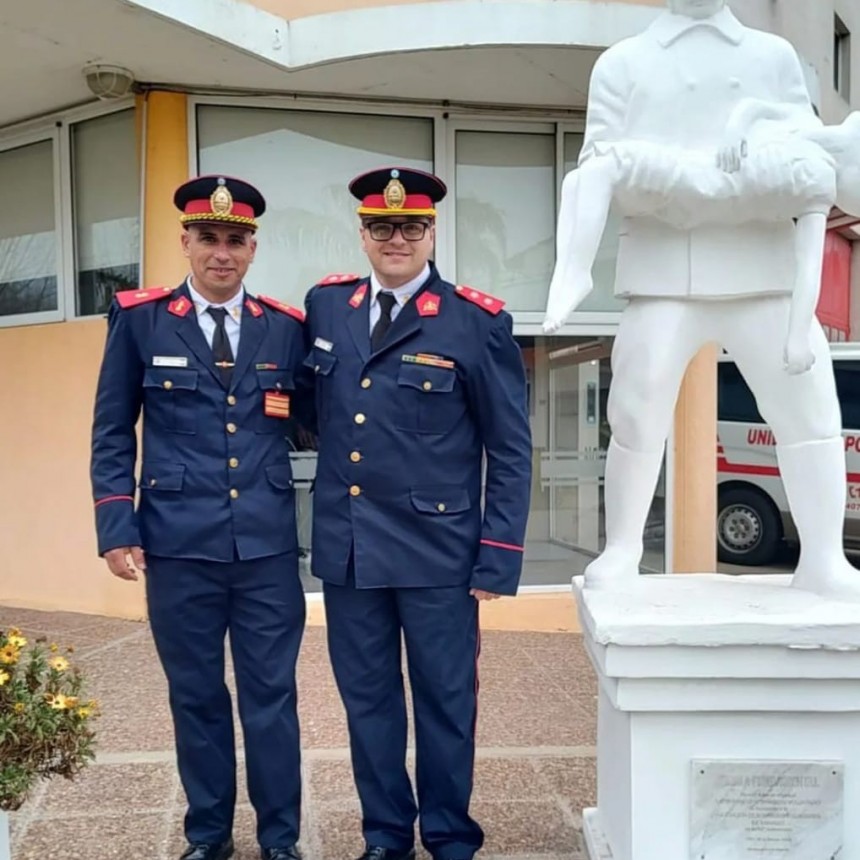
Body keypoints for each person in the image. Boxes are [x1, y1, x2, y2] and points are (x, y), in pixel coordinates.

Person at [543, 0, 860, 600]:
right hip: (664, 271)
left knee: (812, 413)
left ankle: (823, 557)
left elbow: (802, 143)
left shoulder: (772, 57)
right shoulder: (622, 63)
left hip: (764, 270)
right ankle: (622, 550)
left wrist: (745, 171)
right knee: (635, 416)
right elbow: (596, 166)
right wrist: (689, 181)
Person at [303, 167, 532, 860]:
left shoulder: (476, 321)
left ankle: (450, 834)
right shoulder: (326, 307)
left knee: (445, 702)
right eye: (381, 226)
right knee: (367, 704)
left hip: (440, 553)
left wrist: (499, 553)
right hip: (350, 553)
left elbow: (511, 448)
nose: (395, 238)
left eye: (410, 226)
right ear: (363, 233)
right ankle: (385, 837)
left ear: (432, 233)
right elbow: (315, 416)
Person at [90, 175, 308, 860]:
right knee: (196, 697)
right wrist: (116, 525)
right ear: (184, 240)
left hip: (267, 549)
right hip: (178, 548)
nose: (222, 252)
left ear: (252, 248)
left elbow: (317, 423)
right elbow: (112, 431)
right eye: (208, 237)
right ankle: (208, 836)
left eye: (236, 240)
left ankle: (280, 839)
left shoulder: (287, 328)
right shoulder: (142, 319)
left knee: (271, 699)